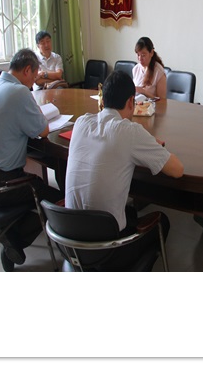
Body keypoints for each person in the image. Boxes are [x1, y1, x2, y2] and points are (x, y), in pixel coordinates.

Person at [64, 69, 183, 270]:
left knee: (129, 212)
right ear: (131, 102)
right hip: (105, 250)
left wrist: (144, 143)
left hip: (70, 242)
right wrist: (149, 144)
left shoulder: (81, 122)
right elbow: (177, 170)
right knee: (162, 222)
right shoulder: (129, 131)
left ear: (103, 100)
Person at [0, 48, 61, 270]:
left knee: (39, 189)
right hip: (5, 183)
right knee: (57, 203)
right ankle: (14, 240)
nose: (34, 82)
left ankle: (10, 229)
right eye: (34, 76)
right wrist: (37, 111)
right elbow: (43, 130)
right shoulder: (19, 92)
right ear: (26, 70)